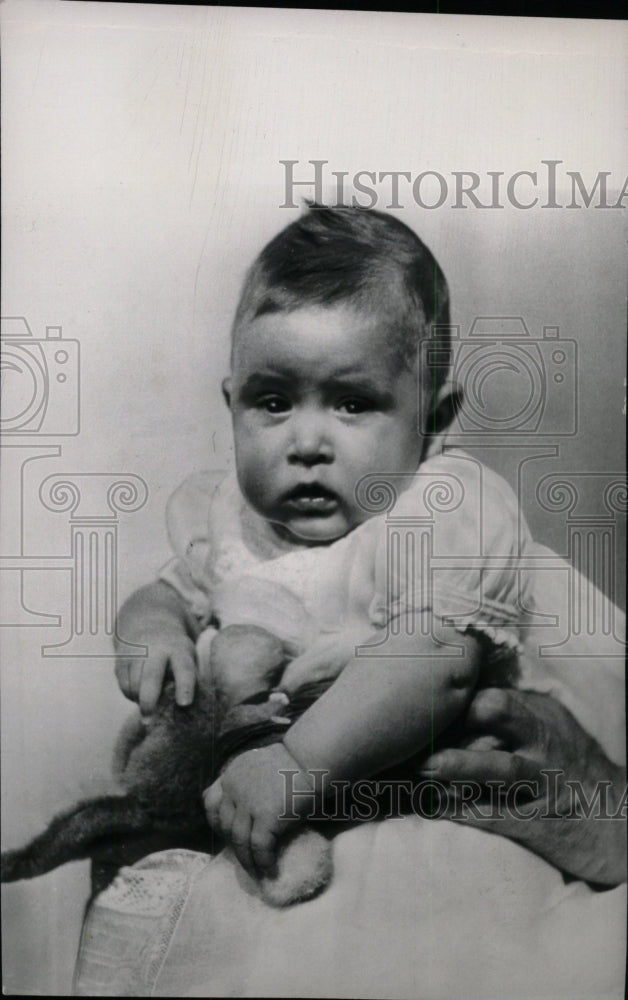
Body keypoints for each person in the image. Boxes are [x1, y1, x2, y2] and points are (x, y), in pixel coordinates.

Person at [114, 204, 625, 885]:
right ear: (230, 403)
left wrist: (296, 766)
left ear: (434, 419)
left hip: (460, 798)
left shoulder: (442, 509)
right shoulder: (233, 518)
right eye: (272, 402)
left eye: (352, 403)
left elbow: (435, 663)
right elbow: (172, 591)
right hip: (290, 790)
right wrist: (151, 633)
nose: (305, 444)